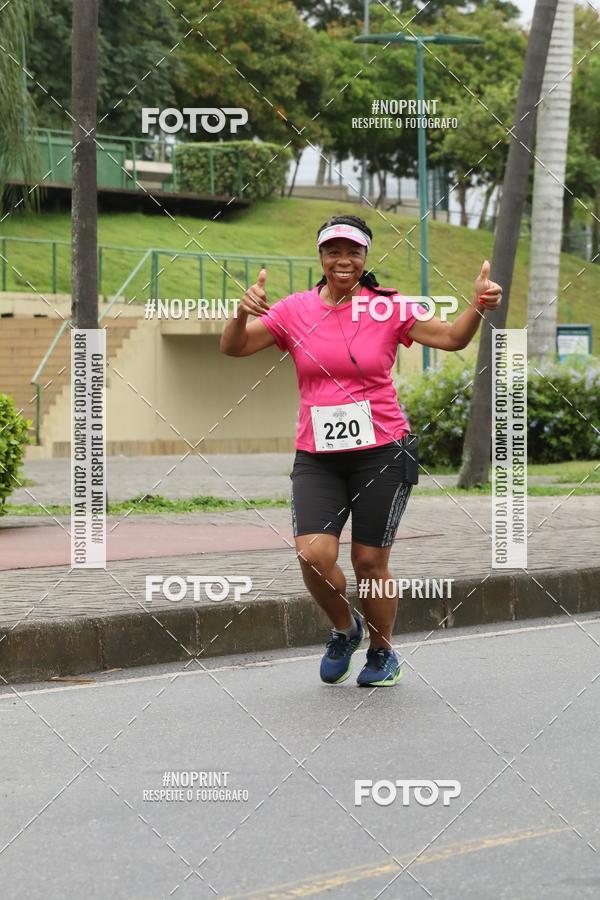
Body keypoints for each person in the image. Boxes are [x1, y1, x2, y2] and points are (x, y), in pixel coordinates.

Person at [220, 214, 502, 687]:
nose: (343, 260)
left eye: (353, 251)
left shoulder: (388, 308)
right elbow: (234, 348)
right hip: (317, 456)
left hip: (383, 451)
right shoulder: (294, 310)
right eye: (333, 251)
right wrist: (241, 312)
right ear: (321, 257)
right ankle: (344, 628)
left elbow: (453, 338)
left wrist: (478, 304)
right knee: (313, 554)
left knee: (369, 563)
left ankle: (382, 651)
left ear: (366, 257)